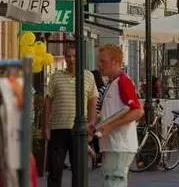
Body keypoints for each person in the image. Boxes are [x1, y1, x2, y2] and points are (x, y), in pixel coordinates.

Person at [45, 45, 97, 187]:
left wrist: (91, 126)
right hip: (58, 128)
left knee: (78, 170)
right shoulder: (56, 76)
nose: (71, 59)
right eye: (68, 56)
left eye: (74, 56)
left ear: (80, 58)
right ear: (65, 58)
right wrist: (46, 127)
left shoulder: (88, 76)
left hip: (79, 131)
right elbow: (48, 102)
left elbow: (93, 103)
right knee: (55, 170)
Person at [94, 44, 144, 187]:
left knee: (112, 182)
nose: (100, 64)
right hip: (114, 145)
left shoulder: (122, 81)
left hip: (119, 145)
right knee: (111, 181)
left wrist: (110, 125)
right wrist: (97, 124)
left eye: (103, 61)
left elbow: (138, 111)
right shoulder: (114, 82)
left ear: (115, 61)